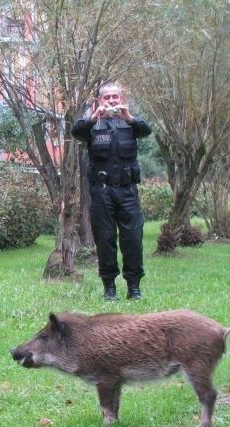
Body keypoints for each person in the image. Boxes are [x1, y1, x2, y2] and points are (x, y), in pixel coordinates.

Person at [71, 82, 152, 301]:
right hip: (102, 193)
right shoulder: (92, 124)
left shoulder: (130, 122)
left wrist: (130, 118)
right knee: (105, 241)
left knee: (133, 240)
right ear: (100, 100)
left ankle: (134, 287)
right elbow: (75, 131)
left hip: (128, 192)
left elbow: (147, 130)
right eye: (107, 97)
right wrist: (93, 117)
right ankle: (109, 288)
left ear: (122, 99)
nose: (112, 101)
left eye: (116, 97)